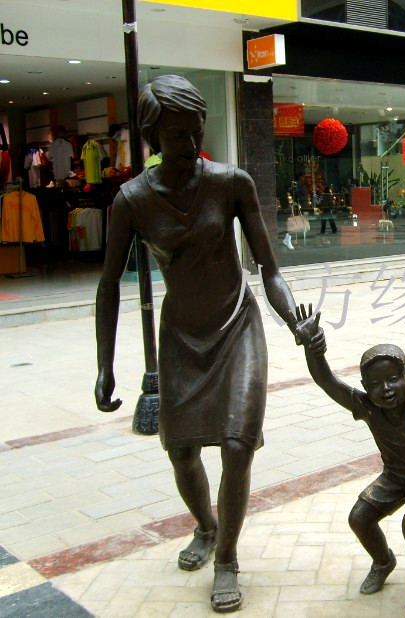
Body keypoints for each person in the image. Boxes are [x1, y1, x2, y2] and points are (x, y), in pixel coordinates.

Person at [94, 75, 312, 614]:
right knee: (182, 450)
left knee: (238, 445)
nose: (191, 145)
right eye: (177, 135)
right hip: (181, 336)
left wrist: (295, 321)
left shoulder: (231, 183)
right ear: (152, 136)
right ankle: (206, 526)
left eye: (197, 132)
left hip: (237, 325)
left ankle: (227, 559)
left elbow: (269, 269)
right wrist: (105, 366)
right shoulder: (132, 201)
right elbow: (108, 286)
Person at [294, 291, 405, 617]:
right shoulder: (368, 408)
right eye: (376, 384)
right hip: (394, 478)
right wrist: (313, 347)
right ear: (366, 388)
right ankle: (383, 561)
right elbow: (327, 381)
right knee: (359, 517)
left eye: (394, 379)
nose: (387, 389)